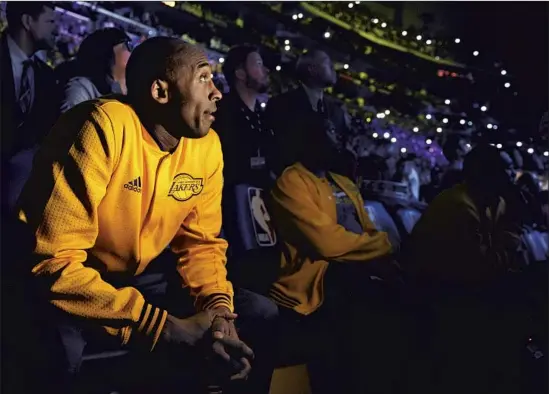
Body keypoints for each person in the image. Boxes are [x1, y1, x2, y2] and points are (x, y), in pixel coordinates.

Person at [11, 37, 255, 394]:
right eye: (204, 78)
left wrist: (218, 309)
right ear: (160, 91)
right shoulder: (100, 126)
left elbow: (202, 245)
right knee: (59, 353)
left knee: (256, 314)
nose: (217, 92)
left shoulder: (207, 146)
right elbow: (52, 263)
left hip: (141, 277)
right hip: (74, 276)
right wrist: (163, 326)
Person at [268, 112, 404, 394]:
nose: (338, 139)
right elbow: (326, 244)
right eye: (330, 132)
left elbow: (367, 230)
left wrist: (381, 255)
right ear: (311, 139)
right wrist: (382, 247)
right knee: (371, 308)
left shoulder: (343, 183)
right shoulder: (291, 181)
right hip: (314, 281)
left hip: (356, 270)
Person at [402, 143, 528, 394]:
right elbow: (481, 269)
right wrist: (514, 227)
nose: (513, 175)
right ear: (486, 174)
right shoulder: (458, 206)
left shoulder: (494, 202)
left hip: (462, 292)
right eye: (506, 168)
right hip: (438, 298)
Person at [0, 2, 58, 216]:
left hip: (16, 198)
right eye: (50, 21)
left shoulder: (46, 76)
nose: (56, 28)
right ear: (27, 21)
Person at [265, 49, 351, 174]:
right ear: (312, 69)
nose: (333, 68)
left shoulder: (337, 112)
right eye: (327, 63)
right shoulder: (282, 104)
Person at [213, 44, 274, 187]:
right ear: (240, 73)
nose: (265, 70)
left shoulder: (263, 117)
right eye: (258, 64)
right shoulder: (221, 112)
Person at [58, 27, 132, 113]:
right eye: (127, 46)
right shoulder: (81, 89)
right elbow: (69, 123)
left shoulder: (133, 92)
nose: (132, 52)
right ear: (107, 51)